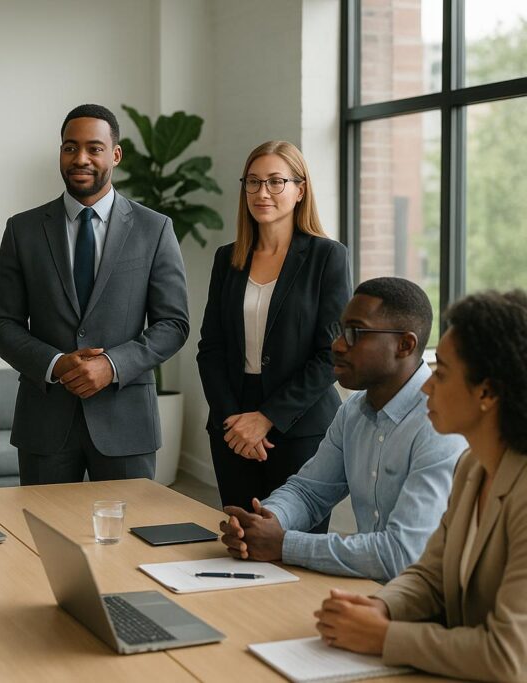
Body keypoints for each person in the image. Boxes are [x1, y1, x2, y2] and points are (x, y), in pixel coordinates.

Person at [315, 290, 527, 681]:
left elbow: (509, 657)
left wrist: (384, 636)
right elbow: (429, 576)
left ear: (488, 392)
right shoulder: (472, 468)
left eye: (441, 373)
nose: (427, 386)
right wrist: (382, 608)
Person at [0, 103, 189, 485]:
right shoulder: (23, 229)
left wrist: (111, 366)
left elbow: (173, 324)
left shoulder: (154, 228)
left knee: (130, 540)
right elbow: (2, 324)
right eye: (70, 147)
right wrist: (57, 364)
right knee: (43, 538)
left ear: (115, 155)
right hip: (44, 422)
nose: (80, 158)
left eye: (94, 148)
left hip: (126, 420)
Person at [219, 278, 465, 581]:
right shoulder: (352, 410)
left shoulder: (441, 424)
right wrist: (261, 521)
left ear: (405, 345)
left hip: (431, 606)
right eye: (339, 331)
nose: (337, 345)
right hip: (372, 592)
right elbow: (309, 492)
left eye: (355, 333)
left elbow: (402, 555)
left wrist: (284, 544)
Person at [197, 140, 351, 531]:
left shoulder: (327, 257)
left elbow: (330, 354)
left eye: (275, 181)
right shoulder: (227, 258)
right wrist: (233, 420)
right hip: (232, 426)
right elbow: (210, 347)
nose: (262, 192)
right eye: (253, 182)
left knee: (295, 545)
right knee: (241, 538)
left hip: (300, 424)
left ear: (300, 190)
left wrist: (266, 418)